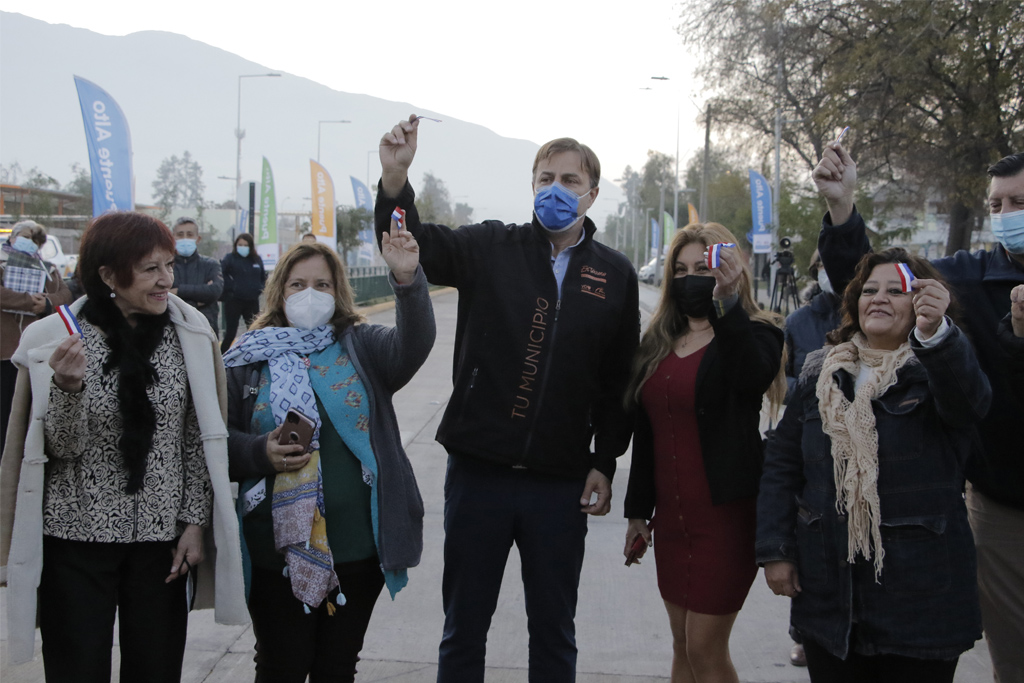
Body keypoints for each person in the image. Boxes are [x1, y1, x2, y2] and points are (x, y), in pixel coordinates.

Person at [376, 115, 639, 682]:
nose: (556, 189)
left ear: (592, 194)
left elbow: (619, 380)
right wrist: (395, 180)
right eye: (545, 177)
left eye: (570, 180)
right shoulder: (492, 246)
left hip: (560, 481)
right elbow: (410, 243)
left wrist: (604, 461)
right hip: (479, 473)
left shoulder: (614, 275)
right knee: (464, 628)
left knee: (553, 631)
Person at [0, 212, 247, 680]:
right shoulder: (55, 338)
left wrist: (194, 522)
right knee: (76, 667)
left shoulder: (190, 334)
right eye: (151, 268)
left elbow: (198, 438)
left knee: (155, 667)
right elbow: (60, 450)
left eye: (169, 266)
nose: (167, 280)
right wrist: (68, 390)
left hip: (160, 545)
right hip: (75, 540)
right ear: (109, 275)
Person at [813, 147, 1024, 681]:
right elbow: (871, 281)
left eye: (1018, 202)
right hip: (1005, 503)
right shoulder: (968, 280)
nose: (1006, 215)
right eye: (997, 204)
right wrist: (843, 208)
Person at [757, 248, 990, 681]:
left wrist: (937, 334)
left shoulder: (942, 368)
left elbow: (969, 405)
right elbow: (782, 464)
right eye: (869, 289)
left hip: (921, 605)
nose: (879, 298)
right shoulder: (821, 374)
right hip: (830, 602)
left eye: (897, 290)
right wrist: (776, 550)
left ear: (922, 301)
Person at [223, 223, 434, 681]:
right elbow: (217, 443)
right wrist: (261, 451)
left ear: (338, 292)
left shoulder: (362, 345)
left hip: (357, 548)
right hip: (272, 551)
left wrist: (407, 280)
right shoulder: (247, 359)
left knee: (336, 667)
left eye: (322, 285)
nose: (309, 295)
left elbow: (414, 346)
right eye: (298, 285)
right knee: (282, 664)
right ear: (279, 292)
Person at [622, 224, 786, 683]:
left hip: (726, 520)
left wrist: (728, 301)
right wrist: (638, 512)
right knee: (680, 646)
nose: (691, 277)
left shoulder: (758, 332)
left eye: (704, 267)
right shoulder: (658, 342)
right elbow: (647, 434)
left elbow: (750, 376)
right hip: (672, 523)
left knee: (704, 648)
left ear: (729, 270)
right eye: (681, 269)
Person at [782, 249, 841, 667]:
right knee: (808, 544)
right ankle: (803, 632)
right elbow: (787, 382)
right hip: (810, 450)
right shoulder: (799, 322)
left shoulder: (876, 310)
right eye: (822, 264)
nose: (828, 272)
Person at [1, 220, 73, 450]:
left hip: (40, 352)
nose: (29, 242)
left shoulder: (49, 269)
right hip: (5, 350)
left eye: (35, 239)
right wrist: (28, 301)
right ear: (11, 238)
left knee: (34, 407)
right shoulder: (2, 264)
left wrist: (47, 304)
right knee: (6, 406)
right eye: (24, 236)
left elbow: (65, 295)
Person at [171, 216, 224, 335]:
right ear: (173, 238)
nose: (185, 238)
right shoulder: (166, 265)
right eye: (180, 234)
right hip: (173, 328)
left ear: (198, 238)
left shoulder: (211, 264)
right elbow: (165, 296)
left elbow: (215, 291)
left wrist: (178, 291)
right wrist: (198, 300)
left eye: (189, 235)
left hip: (205, 329)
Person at [220, 232, 266, 352]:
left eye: (245, 245)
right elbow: (221, 273)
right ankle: (221, 359)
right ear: (236, 245)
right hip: (234, 301)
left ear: (250, 246)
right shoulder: (230, 258)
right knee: (230, 334)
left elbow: (263, 276)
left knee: (254, 331)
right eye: (240, 244)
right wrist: (231, 287)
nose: (243, 247)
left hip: (252, 301)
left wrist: (259, 288)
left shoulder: (256, 259)